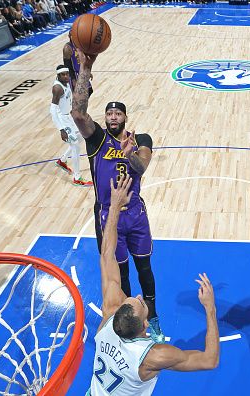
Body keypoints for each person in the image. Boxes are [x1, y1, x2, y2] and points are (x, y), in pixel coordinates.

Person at [88, 174, 219, 395]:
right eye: (140, 303)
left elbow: (106, 255)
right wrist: (210, 309)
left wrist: (114, 208)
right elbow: (209, 361)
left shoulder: (109, 315)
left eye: (134, 300)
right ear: (145, 326)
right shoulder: (153, 357)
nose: (139, 297)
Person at [71, 49, 165, 343]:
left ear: (125, 117)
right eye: (109, 113)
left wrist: (131, 154)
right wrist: (85, 69)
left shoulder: (141, 140)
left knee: (145, 270)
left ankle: (154, 319)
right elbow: (77, 112)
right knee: (119, 276)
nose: (113, 117)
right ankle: (123, 324)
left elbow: (142, 167)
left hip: (135, 214)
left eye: (118, 113)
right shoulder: (97, 138)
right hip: (108, 216)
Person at [50, 65, 92, 187]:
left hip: (69, 116)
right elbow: (52, 110)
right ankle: (77, 177)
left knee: (80, 138)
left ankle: (62, 160)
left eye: (67, 74)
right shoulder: (57, 88)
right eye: (62, 75)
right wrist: (61, 129)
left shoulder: (66, 82)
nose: (66, 76)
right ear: (58, 75)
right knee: (76, 147)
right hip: (63, 120)